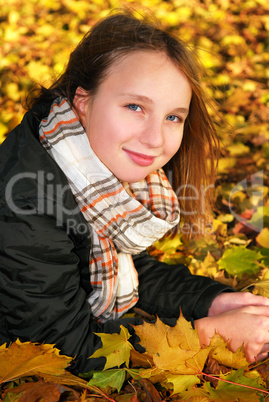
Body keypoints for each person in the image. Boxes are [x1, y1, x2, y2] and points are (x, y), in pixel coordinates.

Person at [1, 11, 269, 375]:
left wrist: (213, 301)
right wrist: (207, 334)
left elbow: (119, 266)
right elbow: (62, 351)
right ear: (83, 101)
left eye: (173, 117)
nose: (155, 139)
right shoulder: (28, 200)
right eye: (135, 106)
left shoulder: (89, 167)